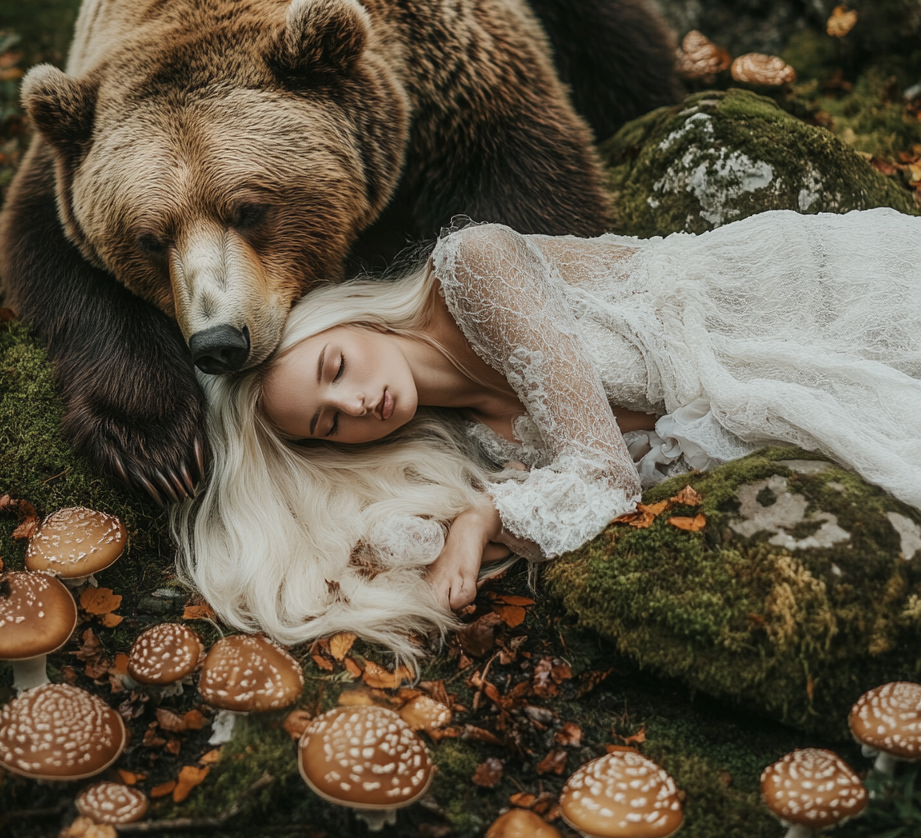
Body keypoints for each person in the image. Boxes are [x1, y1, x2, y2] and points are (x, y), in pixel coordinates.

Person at [173, 209, 921, 663]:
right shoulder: (480, 442)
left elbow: (604, 475)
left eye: (335, 367)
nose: (356, 403)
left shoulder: (472, 268)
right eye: (328, 423)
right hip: (770, 377)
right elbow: (629, 468)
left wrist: (483, 519)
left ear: (351, 321)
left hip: (807, 296)